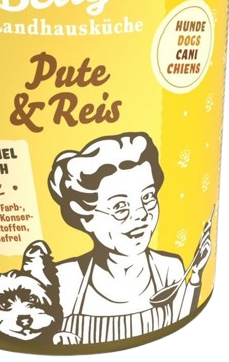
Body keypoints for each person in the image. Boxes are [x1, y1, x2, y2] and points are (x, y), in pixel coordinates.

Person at [48, 132, 211, 344]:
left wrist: (196, 273)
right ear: (86, 217)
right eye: (120, 206)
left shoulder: (168, 268)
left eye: (148, 197)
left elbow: (181, 315)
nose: (142, 214)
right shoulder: (64, 279)